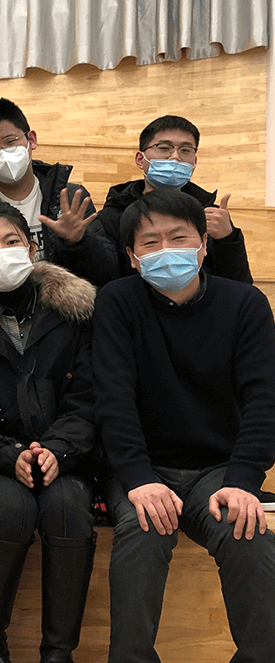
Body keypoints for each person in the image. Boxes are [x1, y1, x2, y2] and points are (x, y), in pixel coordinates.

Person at [93, 189, 275, 662]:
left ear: (203, 245)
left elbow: (264, 401)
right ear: (132, 257)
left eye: (179, 237)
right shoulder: (116, 302)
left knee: (250, 536)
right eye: (150, 242)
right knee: (142, 530)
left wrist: (243, 482)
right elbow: (114, 398)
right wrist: (139, 479)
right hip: (141, 467)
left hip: (218, 469)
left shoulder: (247, 305)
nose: (166, 250)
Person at [0, 202, 97, 663]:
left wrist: (56, 451)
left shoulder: (77, 310)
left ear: (31, 247)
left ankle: (58, 653)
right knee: (8, 510)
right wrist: (9, 455)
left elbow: (90, 397)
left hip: (66, 456)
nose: (1, 253)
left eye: (11, 242)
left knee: (68, 507)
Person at [0, 98, 117, 289]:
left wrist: (78, 241)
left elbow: (107, 273)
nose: (3, 153)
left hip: (62, 309)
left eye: (11, 141)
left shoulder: (71, 199)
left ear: (31, 140)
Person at [99, 114, 253, 283]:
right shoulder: (112, 216)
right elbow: (103, 279)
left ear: (194, 162)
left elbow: (240, 285)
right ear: (140, 159)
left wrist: (228, 239)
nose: (175, 157)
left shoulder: (211, 215)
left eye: (185, 150)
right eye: (164, 148)